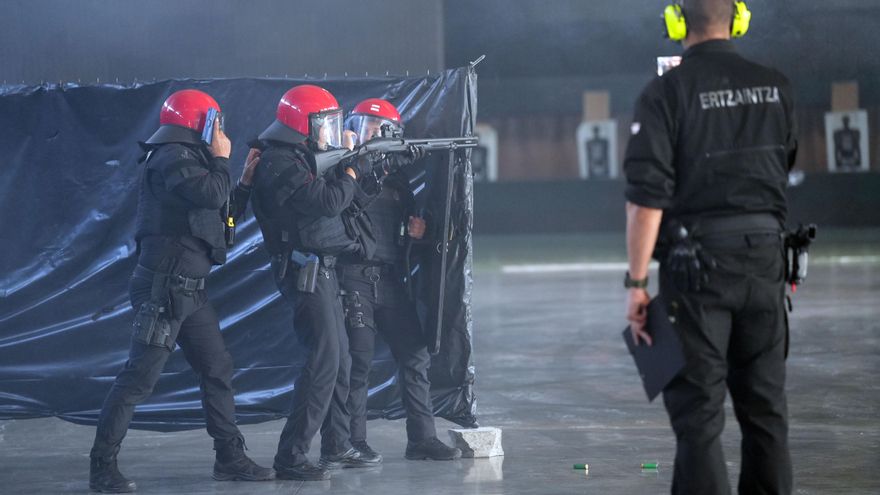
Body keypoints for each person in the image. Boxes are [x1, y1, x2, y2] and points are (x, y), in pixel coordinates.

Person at [623, 1, 797, 493]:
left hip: (697, 271)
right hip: (766, 263)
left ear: (676, 21)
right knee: (766, 413)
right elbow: (782, 170)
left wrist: (637, 283)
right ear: (738, 19)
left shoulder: (666, 92)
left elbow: (645, 202)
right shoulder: (776, 85)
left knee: (699, 419)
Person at [89, 89, 274, 493]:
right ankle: (102, 465)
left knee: (217, 368)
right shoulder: (171, 156)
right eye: (214, 122)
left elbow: (222, 215)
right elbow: (210, 194)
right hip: (164, 290)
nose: (220, 131)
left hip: (190, 291)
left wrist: (243, 182)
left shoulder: (192, 161)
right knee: (139, 377)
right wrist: (223, 160)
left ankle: (229, 458)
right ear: (199, 122)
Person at [247, 85, 377, 481]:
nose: (329, 131)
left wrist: (355, 166)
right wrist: (351, 170)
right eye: (325, 124)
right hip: (305, 270)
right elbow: (327, 202)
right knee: (323, 360)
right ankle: (292, 455)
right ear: (303, 124)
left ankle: (336, 444)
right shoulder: (279, 162)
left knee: (340, 360)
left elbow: (345, 202)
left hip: (322, 268)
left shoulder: (298, 157)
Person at [338, 98, 462, 463]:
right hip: (354, 277)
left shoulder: (396, 177)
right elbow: (346, 205)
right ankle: (352, 442)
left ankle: (422, 439)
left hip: (391, 278)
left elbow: (403, 230)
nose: (374, 134)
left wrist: (418, 233)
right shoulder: (343, 168)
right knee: (358, 362)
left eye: (381, 129)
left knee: (415, 357)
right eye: (368, 126)